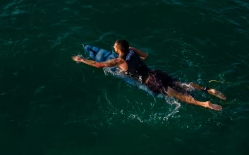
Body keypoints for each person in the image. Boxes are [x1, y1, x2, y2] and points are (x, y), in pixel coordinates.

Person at [72, 39, 225, 111]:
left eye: (115, 46)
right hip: (155, 73)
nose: (113, 47)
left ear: (118, 50)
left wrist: (82, 60)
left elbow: (98, 65)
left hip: (150, 81)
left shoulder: (118, 61)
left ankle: (204, 104)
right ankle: (207, 90)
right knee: (181, 84)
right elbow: (146, 56)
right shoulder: (131, 49)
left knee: (179, 96)